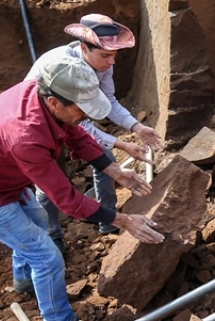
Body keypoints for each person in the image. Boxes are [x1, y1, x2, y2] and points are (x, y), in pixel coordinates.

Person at [0, 53, 164, 321]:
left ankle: (24, 281)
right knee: (46, 257)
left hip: (3, 179)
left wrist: (115, 171)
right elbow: (67, 200)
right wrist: (123, 220)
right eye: (82, 109)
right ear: (54, 103)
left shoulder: (46, 92)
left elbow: (76, 133)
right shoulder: (26, 135)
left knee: (36, 222)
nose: (86, 116)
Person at [27, 14, 164, 243]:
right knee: (50, 185)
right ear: (84, 48)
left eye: (114, 55)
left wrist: (137, 127)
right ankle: (53, 236)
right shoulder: (64, 68)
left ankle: (107, 220)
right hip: (40, 126)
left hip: (69, 121)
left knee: (104, 157)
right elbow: (80, 123)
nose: (112, 62)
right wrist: (121, 143)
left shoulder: (101, 63)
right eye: (105, 56)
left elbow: (107, 101)